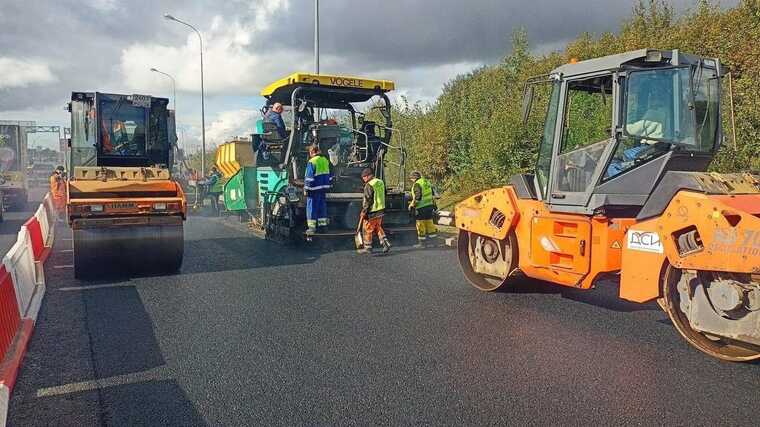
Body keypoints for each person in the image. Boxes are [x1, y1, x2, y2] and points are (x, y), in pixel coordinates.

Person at [358, 168, 391, 254]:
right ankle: (385, 243)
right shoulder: (380, 182)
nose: (363, 179)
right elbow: (385, 193)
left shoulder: (369, 185)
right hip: (380, 210)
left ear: (368, 176)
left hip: (372, 211)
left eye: (364, 177)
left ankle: (368, 247)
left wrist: (364, 211)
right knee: (377, 227)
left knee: (367, 228)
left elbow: (368, 200)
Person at [304, 145, 333, 234]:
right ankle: (323, 227)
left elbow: (309, 177)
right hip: (323, 188)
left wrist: (306, 188)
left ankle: (312, 228)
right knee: (322, 207)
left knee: (311, 208)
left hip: (313, 189)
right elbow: (331, 175)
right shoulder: (325, 160)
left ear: (312, 152)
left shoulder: (312, 161)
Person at [408, 171, 437, 248]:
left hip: (421, 207)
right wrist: (434, 205)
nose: (411, 181)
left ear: (414, 178)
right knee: (429, 224)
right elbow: (432, 194)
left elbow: (418, 197)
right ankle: (434, 242)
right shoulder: (426, 182)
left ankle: (422, 244)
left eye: (411, 179)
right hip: (429, 206)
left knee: (420, 225)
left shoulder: (417, 184)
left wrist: (412, 205)